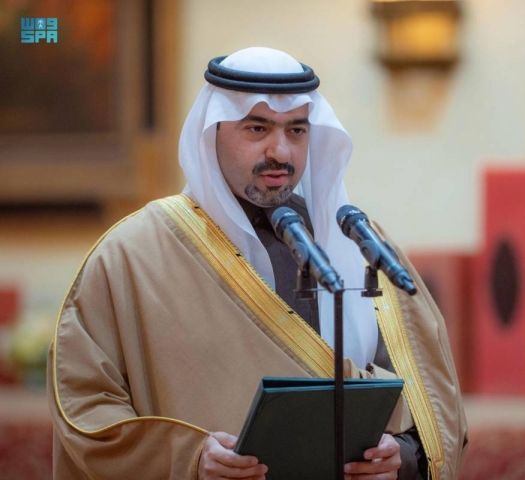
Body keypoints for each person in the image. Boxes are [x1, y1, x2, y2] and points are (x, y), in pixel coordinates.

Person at [47, 47, 468, 479]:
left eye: (297, 130)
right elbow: (86, 409)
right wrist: (191, 458)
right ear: (211, 133)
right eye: (256, 128)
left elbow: (432, 402)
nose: (281, 152)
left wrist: (398, 457)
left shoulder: (356, 242)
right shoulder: (134, 254)